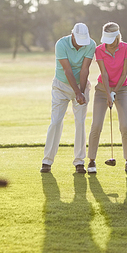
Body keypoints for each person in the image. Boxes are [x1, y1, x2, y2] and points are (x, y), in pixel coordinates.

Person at [41, 23, 96, 174]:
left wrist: (82, 92)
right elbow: (67, 70)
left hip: (81, 85)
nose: (81, 43)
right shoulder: (61, 44)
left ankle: (79, 162)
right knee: (56, 122)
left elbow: (85, 70)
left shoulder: (91, 44)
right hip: (61, 86)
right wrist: (78, 92)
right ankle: (47, 161)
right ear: (72, 35)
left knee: (80, 122)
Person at [87, 22, 127, 174]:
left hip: (122, 89)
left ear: (117, 37)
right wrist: (109, 93)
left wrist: (115, 92)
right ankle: (91, 161)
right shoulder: (99, 50)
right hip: (102, 89)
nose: (107, 43)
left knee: (125, 126)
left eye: (110, 39)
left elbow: (124, 73)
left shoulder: (126, 48)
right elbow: (105, 74)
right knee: (96, 125)